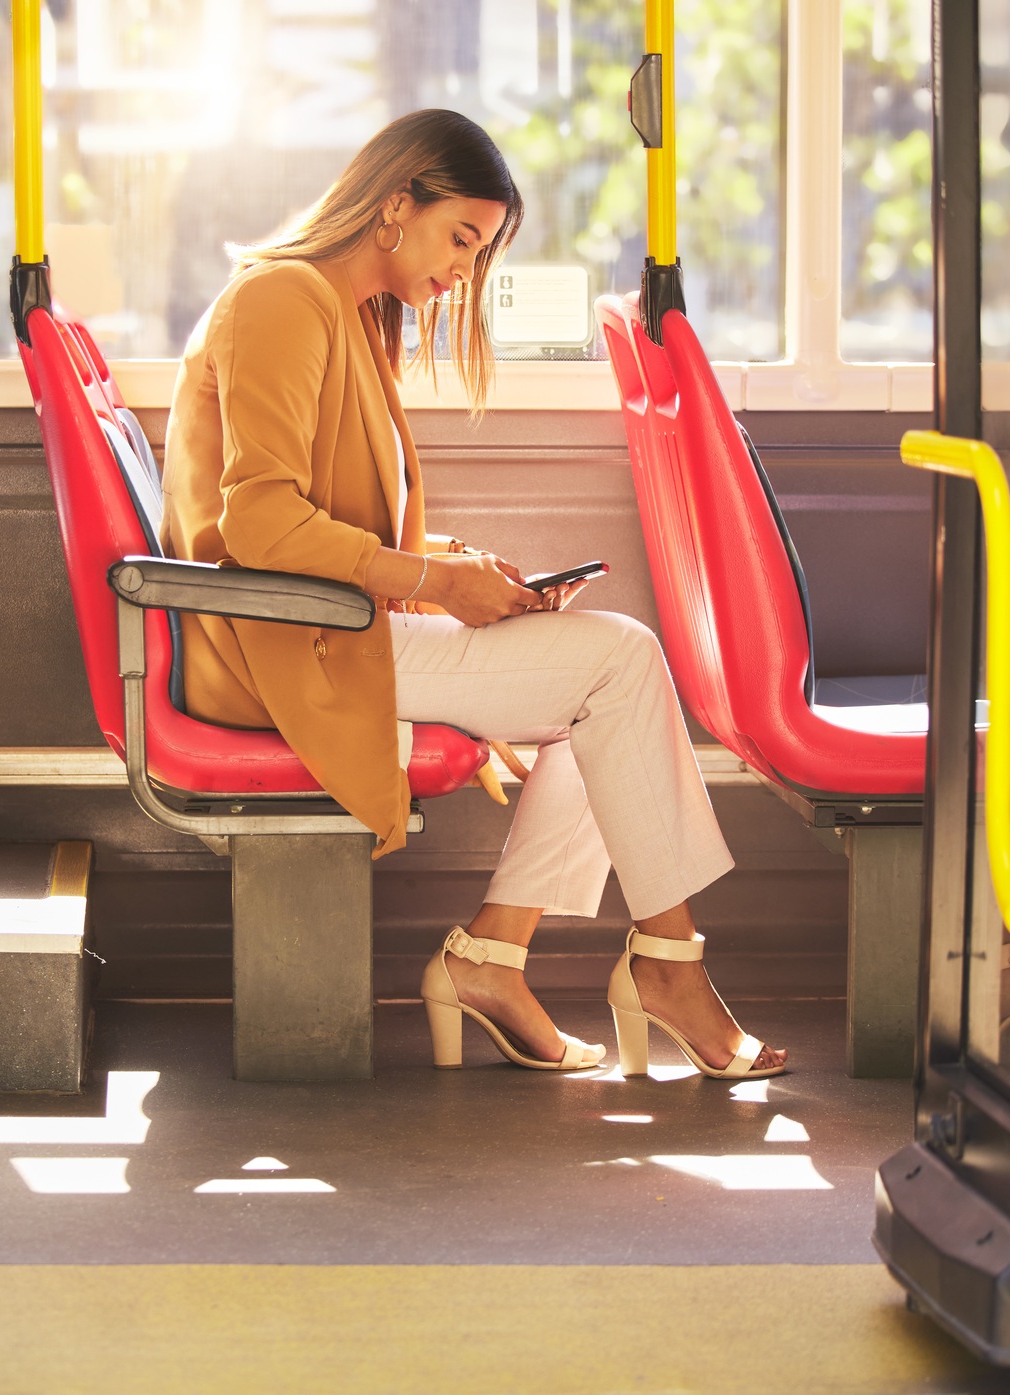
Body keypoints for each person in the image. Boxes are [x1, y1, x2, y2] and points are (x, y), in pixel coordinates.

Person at [162, 109, 786, 1080]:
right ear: (392, 203)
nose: (464, 269)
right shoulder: (283, 300)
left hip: (330, 621)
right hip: (285, 640)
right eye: (460, 237)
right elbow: (260, 527)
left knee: (599, 692)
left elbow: (342, 525)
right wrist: (433, 581)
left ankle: (492, 960)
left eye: (481, 250)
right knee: (618, 663)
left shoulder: (344, 314)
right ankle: (662, 964)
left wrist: (459, 568)